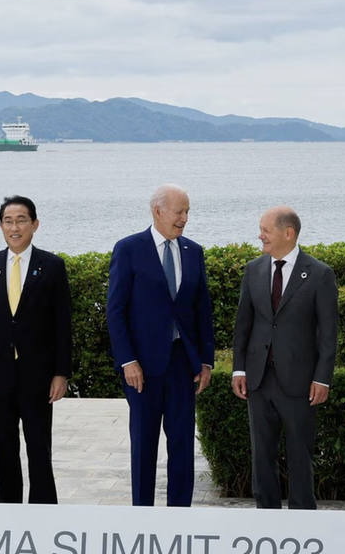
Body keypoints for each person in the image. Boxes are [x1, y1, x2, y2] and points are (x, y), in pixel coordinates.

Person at [106, 184, 214, 507]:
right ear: (158, 211)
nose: (185, 219)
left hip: (183, 364)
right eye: (179, 212)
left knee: (182, 444)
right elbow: (115, 310)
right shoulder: (128, 249)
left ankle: (179, 516)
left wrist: (206, 361)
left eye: (188, 212)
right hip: (142, 367)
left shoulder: (193, 251)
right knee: (144, 445)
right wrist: (127, 361)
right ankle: (143, 515)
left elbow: (202, 310)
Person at [0, 196, 73, 504]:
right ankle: (8, 514)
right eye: (8, 221)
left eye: (21, 220)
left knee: (39, 447)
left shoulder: (52, 266)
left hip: (37, 375)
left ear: (35, 225)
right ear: (1, 226)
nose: (15, 227)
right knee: (3, 448)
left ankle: (43, 514)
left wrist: (60, 373)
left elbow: (62, 325)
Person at [231, 205, 337, 510]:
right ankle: (266, 519)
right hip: (258, 379)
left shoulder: (319, 274)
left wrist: (322, 378)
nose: (260, 236)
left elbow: (329, 334)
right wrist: (239, 370)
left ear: (287, 233)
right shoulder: (254, 269)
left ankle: (303, 521)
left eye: (266, 230)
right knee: (261, 454)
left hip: (300, 383)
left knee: (300, 455)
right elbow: (243, 325)